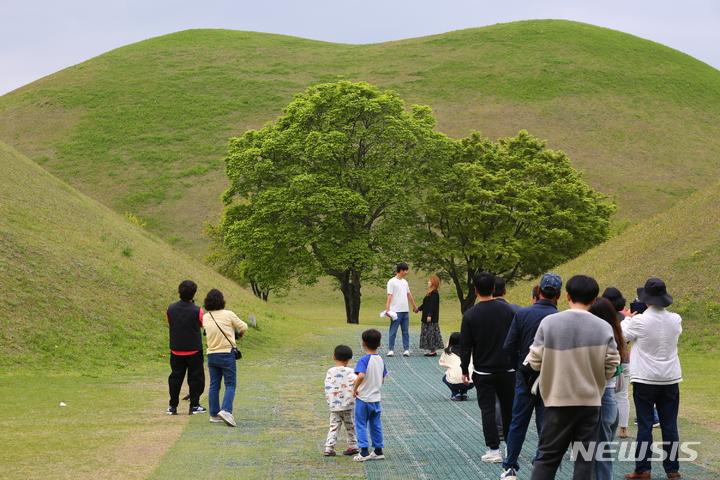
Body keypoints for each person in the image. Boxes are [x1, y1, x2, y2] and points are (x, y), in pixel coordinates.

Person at [525, 275, 620, 480]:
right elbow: (612, 364)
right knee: (584, 461)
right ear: (594, 300)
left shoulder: (549, 322)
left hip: (557, 401)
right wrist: (596, 378)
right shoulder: (604, 327)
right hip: (589, 402)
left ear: (566, 295)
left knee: (547, 459)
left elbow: (534, 361)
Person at [500, 273, 562, 480]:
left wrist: (518, 366)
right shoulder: (559, 319)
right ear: (559, 295)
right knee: (545, 423)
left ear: (539, 291)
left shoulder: (523, 313)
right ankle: (540, 463)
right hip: (551, 377)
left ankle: (510, 467)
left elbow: (509, 346)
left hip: (525, 374)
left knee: (518, 422)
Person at [622, 278, 682, 479]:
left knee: (645, 427)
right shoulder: (676, 319)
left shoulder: (639, 321)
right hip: (670, 378)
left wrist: (629, 318)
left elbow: (622, 336)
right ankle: (672, 469)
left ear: (646, 299)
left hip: (645, 379)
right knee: (669, 426)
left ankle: (643, 469)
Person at [460, 272, 517, 464]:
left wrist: (464, 370)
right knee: (509, 409)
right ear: (494, 289)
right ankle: (511, 447)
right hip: (508, 369)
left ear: (475, 290)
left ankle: (494, 450)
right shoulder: (509, 311)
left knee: (488, 410)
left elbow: (466, 346)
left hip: (483, 371)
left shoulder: (470, 315)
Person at [589, 296, 628, 480]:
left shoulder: (601, 338)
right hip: (611, 400)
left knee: (600, 457)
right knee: (599, 454)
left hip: (601, 399)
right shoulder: (617, 334)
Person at [203, 288, 248, 427]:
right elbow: (244, 326)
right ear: (222, 300)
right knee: (230, 384)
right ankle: (226, 410)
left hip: (211, 354)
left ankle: (213, 414)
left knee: (214, 385)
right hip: (226, 353)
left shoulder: (206, 316)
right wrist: (239, 334)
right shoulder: (228, 314)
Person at [166, 280, 206, 415]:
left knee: (176, 377)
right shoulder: (198, 310)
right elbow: (202, 324)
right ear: (194, 293)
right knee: (196, 377)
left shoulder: (170, 308)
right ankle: (194, 405)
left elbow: (170, 322)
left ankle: (172, 406)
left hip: (176, 348)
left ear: (179, 291)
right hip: (194, 348)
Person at [353, 329, 388, 461]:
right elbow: (382, 378)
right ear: (379, 344)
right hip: (375, 398)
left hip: (363, 398)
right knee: (375, 424)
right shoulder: (380, 360)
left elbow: (361, 375)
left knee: (361, 424)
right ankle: (378, 450)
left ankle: (364, 452)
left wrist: (355, 388)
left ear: (363, 343)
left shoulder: (364, 360)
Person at [602, 287, 631, 438]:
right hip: (624, 360)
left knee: (605, 394)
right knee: (622, 395)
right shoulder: (625, 318)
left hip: (606, 362)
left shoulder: (601, 317)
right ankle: (623, 429)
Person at [323, 345, 359, 456]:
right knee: (350, 425)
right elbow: (356, 383)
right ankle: (353, 446)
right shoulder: (351, 371)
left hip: (334, 405)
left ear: (334, 357)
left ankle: (329, 448)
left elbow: (327, 385)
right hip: (349, 404)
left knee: (334, 426)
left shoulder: (330, 371)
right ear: (349, 359)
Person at [385, 262, 418, 357]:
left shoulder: (405, 282)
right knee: (393, 331)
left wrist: (414, 306)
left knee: (405, 331)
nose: (406, 272)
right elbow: (390, 296)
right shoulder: (391, 282)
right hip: (396, 311)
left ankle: (406, 349)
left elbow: (409, 294)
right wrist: (388, 310)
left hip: (405, 311)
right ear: (401, 270)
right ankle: (391, 349)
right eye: (405, 270)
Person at [439, 332, 475, 400]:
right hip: (471, 382)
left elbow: (442, 363)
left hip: (455, 383)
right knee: (467, 373)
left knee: (445, 377)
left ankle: (455, 393)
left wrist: (447, 348)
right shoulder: (469, 350)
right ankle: (464, 393)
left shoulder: (449, 351)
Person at [418, 275, 444, 356]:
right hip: (427, 316)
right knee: (429, 333)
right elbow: (426, 304)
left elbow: (433, 305)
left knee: (431, 333)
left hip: (431, 318)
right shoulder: (430, 293)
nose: (428, 282)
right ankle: (431, 349)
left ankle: (433, 350)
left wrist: (430, 315)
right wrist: (418, 309)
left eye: (430, 281)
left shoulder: (434, 293)